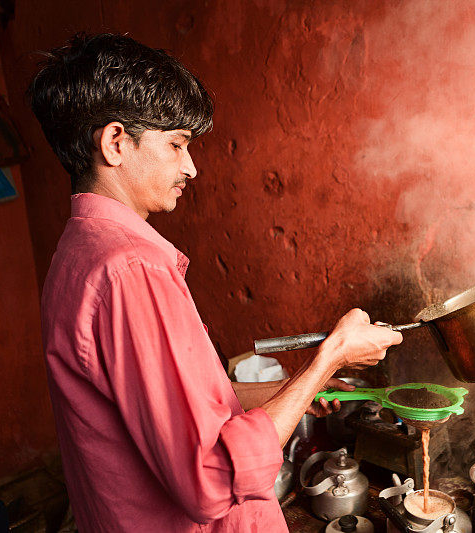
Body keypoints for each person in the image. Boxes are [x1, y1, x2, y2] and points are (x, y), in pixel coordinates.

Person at [28, 33, 402, 533]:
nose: (191, 166)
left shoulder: (77, 251)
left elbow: (170, 408)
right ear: (115, 142)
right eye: (177, 144)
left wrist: (297, 386)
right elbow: (209, 478)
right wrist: (329, 355)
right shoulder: (131, 269)